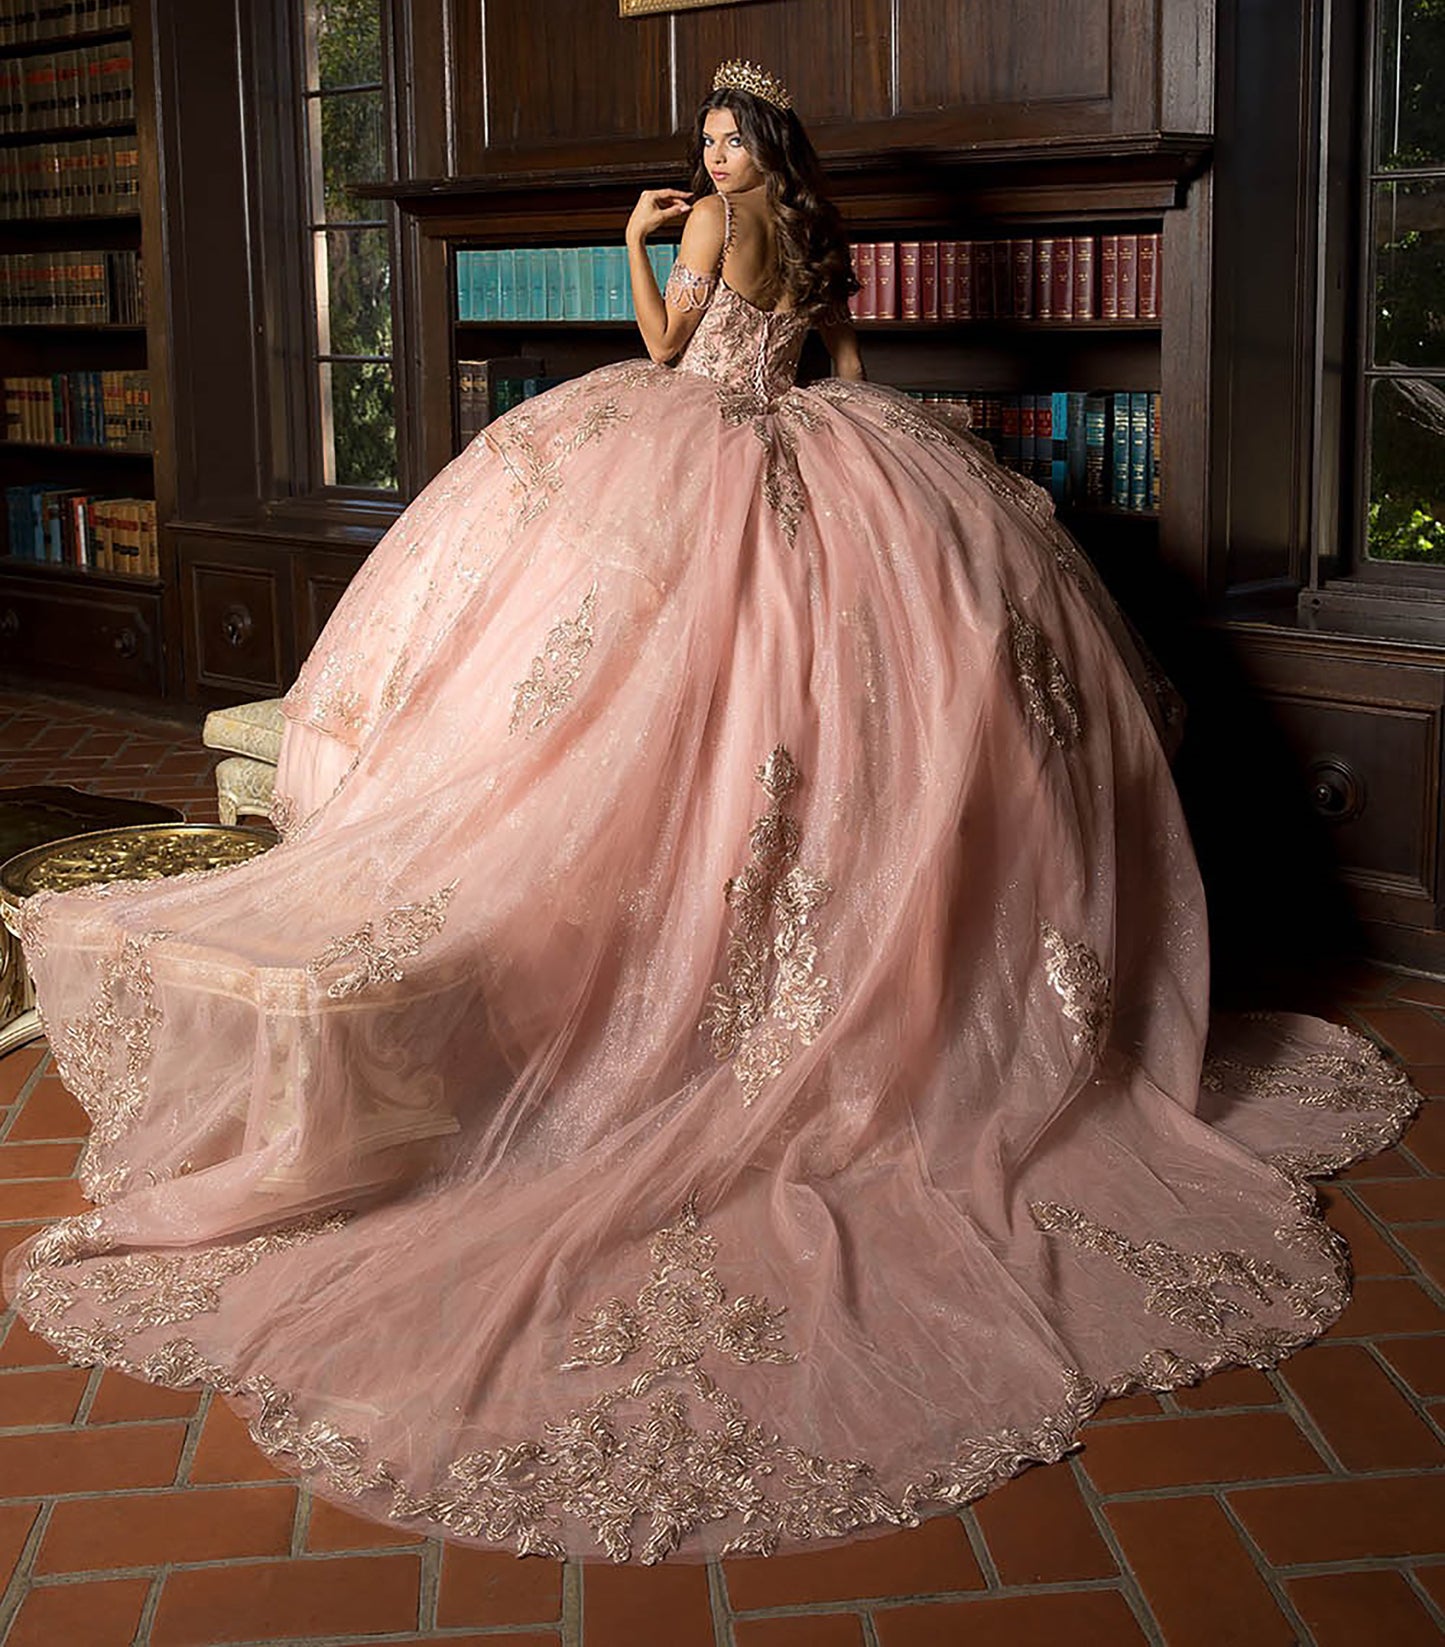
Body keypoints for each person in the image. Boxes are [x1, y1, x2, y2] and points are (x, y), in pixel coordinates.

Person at [4, 63, 1419, 1564]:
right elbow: (849, 376)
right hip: (828, 449)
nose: (708, 156)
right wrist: (891, 488)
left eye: (721, 140)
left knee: (623, 683)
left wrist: (635, 242)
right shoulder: (812, 228)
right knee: (832, 706)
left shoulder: (704, 229)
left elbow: (677, 354)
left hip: (693, 446)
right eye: (705, 143)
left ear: (752, 153)